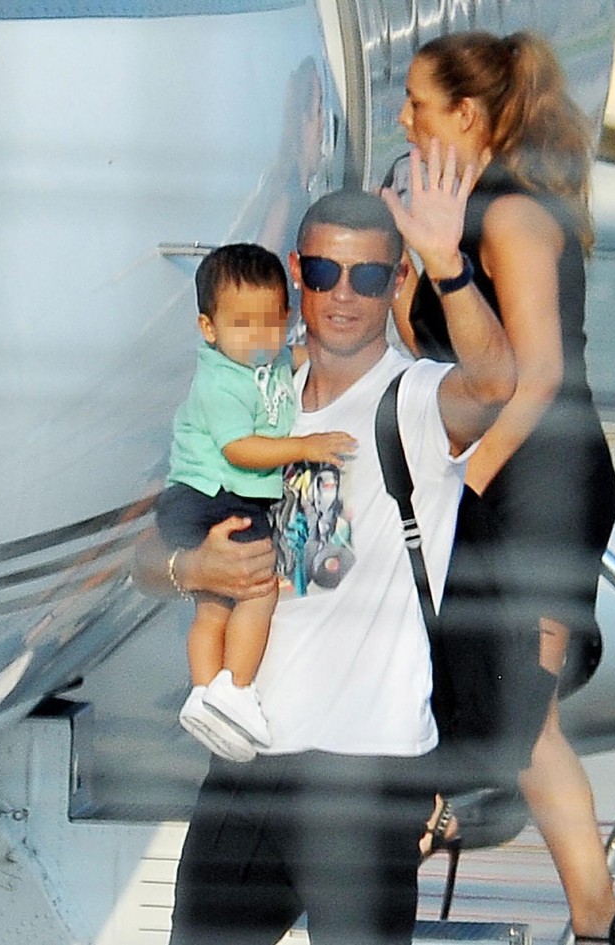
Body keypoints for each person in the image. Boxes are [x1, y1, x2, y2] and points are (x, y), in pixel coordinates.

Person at [141, 155, 515, 944]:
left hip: (364, 772)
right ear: (295, 275)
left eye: (369, 276)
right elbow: (148, 547)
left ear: (396, 279)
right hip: (245, 764)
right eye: (323, 270)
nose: (343, 293)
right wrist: (192, 568)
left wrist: (450, 265)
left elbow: (491, 384)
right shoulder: (250, 398)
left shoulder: (410, 401)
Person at [387, 29, 615, 945]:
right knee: (489, 701)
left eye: (418, 102)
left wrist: (461, 485)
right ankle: (597, 917)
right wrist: (415, 260)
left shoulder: (517, 216)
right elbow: (437, 350)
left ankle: (601, 919)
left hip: (543, 480)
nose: (403, 116)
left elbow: (536, 379)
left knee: (529, 721)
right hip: (493, 473)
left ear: (467, 113)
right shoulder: (464, 215)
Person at [157, 241, 356, 761]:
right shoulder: (220, 381)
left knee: (214, 606)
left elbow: (289, 360)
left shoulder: (261, 363)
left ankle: (205, 696)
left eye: (271, 322)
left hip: (210, 496)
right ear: (208, 329)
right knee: (257, 591)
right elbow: (240, 450)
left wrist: (320, 352)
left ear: (287, 315)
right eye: (242, 325)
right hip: (213, 495)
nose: (258, 337)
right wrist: (307, 447)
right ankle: (233, 691)